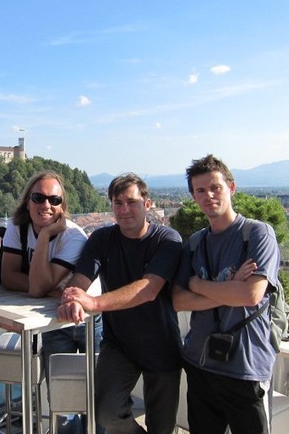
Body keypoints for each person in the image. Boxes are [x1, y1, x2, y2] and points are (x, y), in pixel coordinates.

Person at [58, 173, 183, 434]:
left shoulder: (168, 240)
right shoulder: (102, 239)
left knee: (163, 427)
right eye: (118, 203)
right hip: (119, 345)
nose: (124, 210)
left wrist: (92, 301)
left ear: (147, 205)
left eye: (131, 202)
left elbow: (149, 289)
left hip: (162, 346)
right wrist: (73, 297)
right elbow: (80, 278)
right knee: (106, 411)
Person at [172, 154, 281, 434]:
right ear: (193, 197)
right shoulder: (195, 243)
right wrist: (230, 287)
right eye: (200, 191)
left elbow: (251, 295)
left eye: (215, 187)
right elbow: (178, 301)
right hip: (200, 362)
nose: (208, 195)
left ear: (231, 188)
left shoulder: (258, 235)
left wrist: (198, 285)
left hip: (246, 367)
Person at [0, 170, 102, 434]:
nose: (46, 205)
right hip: (53, 318)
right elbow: (8, 276)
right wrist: (44, 286)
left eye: (54, 200)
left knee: (98, 394)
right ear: (27, 201)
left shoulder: (74, 236)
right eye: (38, 197)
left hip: (91, 320)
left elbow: (33, 287)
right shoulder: (16, 227)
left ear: (62, 206)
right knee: (60, 397)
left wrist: (43, 238)